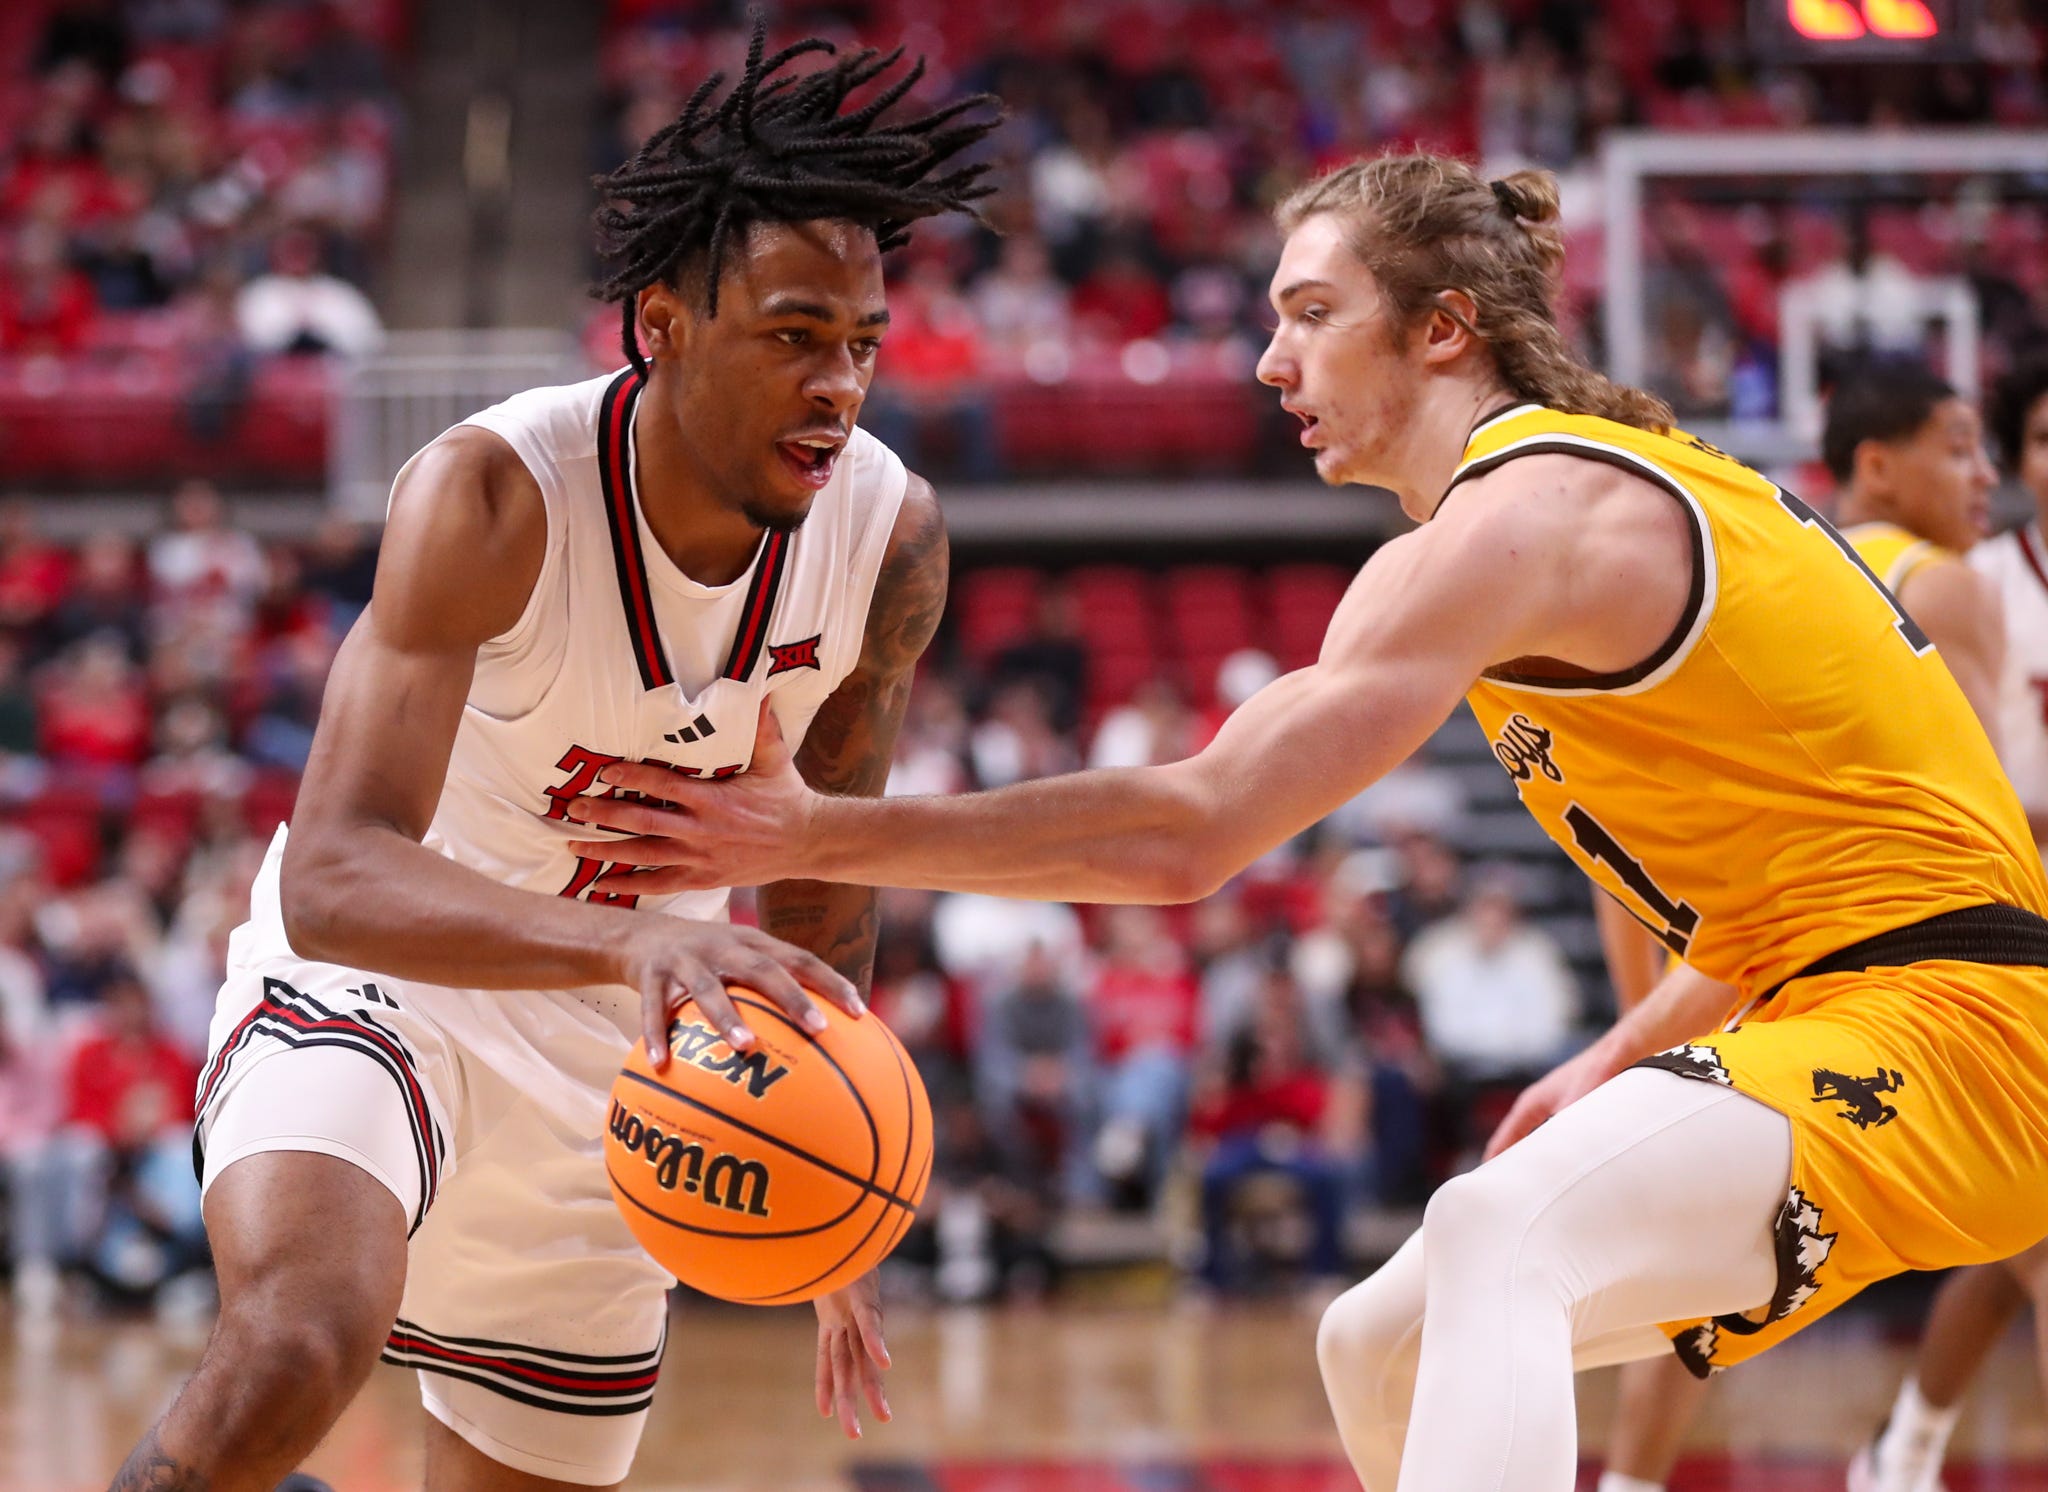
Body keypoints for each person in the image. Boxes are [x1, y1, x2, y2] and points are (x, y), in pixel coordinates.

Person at [567, 152, 2048, 1491]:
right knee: (1371, 1345)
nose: (1271, 357)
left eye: (1311, 312)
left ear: (1442, 329)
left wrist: (801, 832)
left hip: (1965, 1026)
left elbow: (1188, 833)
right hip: (1871, 998)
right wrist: (1610, 1056)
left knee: (1498, 1236)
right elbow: (1807, 880)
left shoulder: (1524, 523)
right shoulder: (1541, 526)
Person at [107, 28, 998, 1492]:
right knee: (294, 1346)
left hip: (633, 1067)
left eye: (860, 344)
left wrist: (856, 1165)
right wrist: (634, 932)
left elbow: (824, 871)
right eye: (791, 335)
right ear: (663, 325)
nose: (837, 383)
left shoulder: (888, 540)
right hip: (392, 985)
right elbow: (333, 877)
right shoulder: (492, 494)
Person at [1576, 360, 2006, 1492]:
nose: (1984, 474)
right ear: (1877, 462)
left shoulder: (1748, 554)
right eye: (1957, 446)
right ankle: (1902, 1451)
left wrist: (1645, 1004)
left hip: (1714, 921)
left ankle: (1646, 1478)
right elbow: (1977, 818)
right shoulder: (1944, 584)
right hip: (1896, 943)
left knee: (1688, 1240)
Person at [1845, 350, 2048, 1492]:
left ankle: (1904, 1448)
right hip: (1984, 929)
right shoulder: (1966, 578)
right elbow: (1968, 802)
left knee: (2019, 1226)